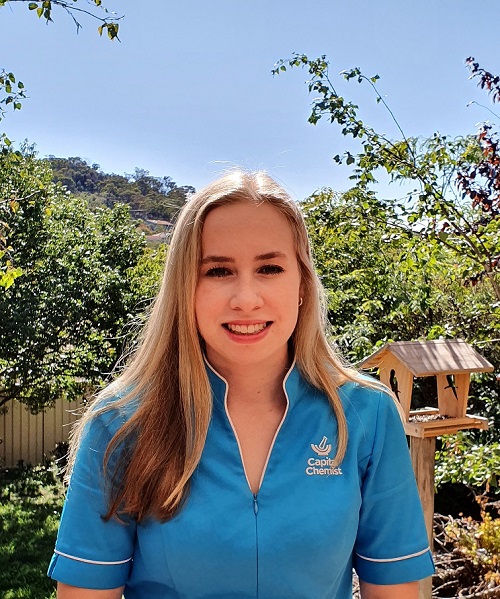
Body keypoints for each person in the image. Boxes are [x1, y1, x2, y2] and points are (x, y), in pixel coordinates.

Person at [48, 170, 435, 599]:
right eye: (217, 271)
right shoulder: (122, 419)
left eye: (270, 268)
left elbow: (394, 588)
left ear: (302, 284)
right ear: (185, 288)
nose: (246, 298)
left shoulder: (367, 414)